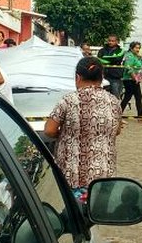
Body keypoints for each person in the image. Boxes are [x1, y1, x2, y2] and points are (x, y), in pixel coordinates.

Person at [44, 57, 122, 192]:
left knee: (74, 211)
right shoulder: (114, 101)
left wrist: (67, 133)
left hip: (73, 175)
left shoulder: (68, 100)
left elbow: (49, 130)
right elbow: (117, 130)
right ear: (101, 77)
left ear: (77, 77)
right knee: (98, 211)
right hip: (104, 175)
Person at [121, 41, 142, 124]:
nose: (138, 49)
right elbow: (129, 69)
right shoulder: (129, 56)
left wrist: (138, 78)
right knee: (127, 98)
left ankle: (140, 117)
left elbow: (140, 67)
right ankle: (118, 116)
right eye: (136, 48)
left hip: (135, 80)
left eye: (138, 48)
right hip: (129, 80)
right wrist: (135, 78)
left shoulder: (136, 56)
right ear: (131, 48)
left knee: (138, 97)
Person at [97, 35, 126, 100]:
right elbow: (99, 59)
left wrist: (106, 60)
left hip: (115, 78)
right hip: (104, 77)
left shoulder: (120, 51)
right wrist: (110, 60)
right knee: (102, 98)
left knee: (115, 98)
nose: (110, 42)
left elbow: (117, 59)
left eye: (112, 41)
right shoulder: (102, 50)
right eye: (109, 40)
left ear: (117, 42)